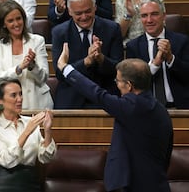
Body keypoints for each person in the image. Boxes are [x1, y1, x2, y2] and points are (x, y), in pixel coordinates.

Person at [57, 43, 173, 192]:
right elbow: (167, 154)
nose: (117, 85)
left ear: (129, 85)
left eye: (117, 81)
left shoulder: (131, 106)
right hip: (158, 183)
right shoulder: (161, 110)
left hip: (135, 186)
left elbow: (97, 94)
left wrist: (65, 67)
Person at [51, 0, 123, 109]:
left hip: (104, 97)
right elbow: (60, 73)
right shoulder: (59, 32)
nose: (84, 17)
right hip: (70, 100)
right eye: (78, 13)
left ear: (95, 7)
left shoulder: (112, 29)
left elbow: (119, 69)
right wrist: (86, 62)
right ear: (69, 11)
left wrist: (101, 59)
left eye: (88, 11)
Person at [0, 77, 56, 192]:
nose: (20, 99)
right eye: (14, 95)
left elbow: (46, 158)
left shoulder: (30, 122)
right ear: (0, 100)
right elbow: (6, 160)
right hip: (2, 183)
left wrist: (47, 130)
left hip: (29, 182)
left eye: (21, 94)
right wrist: (27, 131)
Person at [126, 0, 189, 109]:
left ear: (163, 16)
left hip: (179, 108)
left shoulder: (182, 41)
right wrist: (154, 65)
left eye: (154, 14)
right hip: (147, 110)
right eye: (144, 16)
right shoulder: (133, 46)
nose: (149, 20)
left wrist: (170, 59)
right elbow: (132, 84)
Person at [0, 0, 53, 110]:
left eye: (18, 18)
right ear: (4, 24)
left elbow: (43, 78)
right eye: (10, 21)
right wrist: (19, 68)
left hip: (39, 104)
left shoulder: (37, 41)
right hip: (12, 106)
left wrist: (32, 66)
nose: (16, 24)